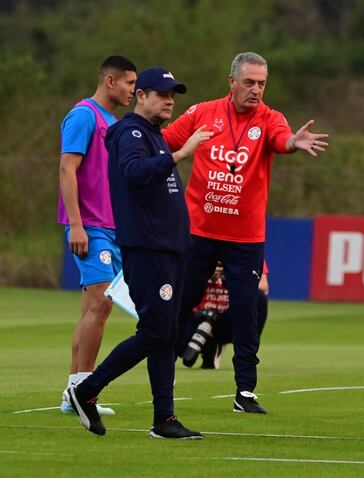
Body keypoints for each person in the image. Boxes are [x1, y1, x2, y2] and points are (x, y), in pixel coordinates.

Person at [163, 52, 328, 414]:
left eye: (262, 83)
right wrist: (134, 140)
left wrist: (293, 144)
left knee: (247, 310)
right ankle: (164, 378)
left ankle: (245, 392)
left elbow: (282, 140)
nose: (256, 90)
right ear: (232, 82)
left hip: (245, 239)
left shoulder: (270, 119)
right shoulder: (203, 112)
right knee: (179, 304)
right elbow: (166, 142)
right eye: (250, 82)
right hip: (199, 232)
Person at [66, 67, 213, 439]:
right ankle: (86, 391)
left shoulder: (153, 135)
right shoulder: (132, 132)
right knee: (154, 332)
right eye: (161, 93)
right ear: (141, 96)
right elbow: (133, 172)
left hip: (169, 248)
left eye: (173, 95)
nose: (169, 100)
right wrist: (181, 153)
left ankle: (164, 419)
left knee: (166, 333)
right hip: (148, 249)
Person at [57, 56, 137, 416]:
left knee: (93, 307)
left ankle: (72, 390)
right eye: (129, 83)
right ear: (110, 81)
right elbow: (66, 168)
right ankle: (83, 390)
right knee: (101, 304)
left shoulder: (114, 123)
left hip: (111, 227)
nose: (133, 91)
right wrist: (76, 223)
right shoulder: (83, 115)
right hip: (90, 226)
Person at [181, 263, 269, 370]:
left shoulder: (247, 253)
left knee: (259, 298)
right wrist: (205, 275)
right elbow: (183, 281)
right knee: (184, 354)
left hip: (226, 316)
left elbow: (263, 286)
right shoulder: (201, 250)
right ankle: (208, 343)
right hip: (198, 314)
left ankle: (246, 349)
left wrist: (231, 277)